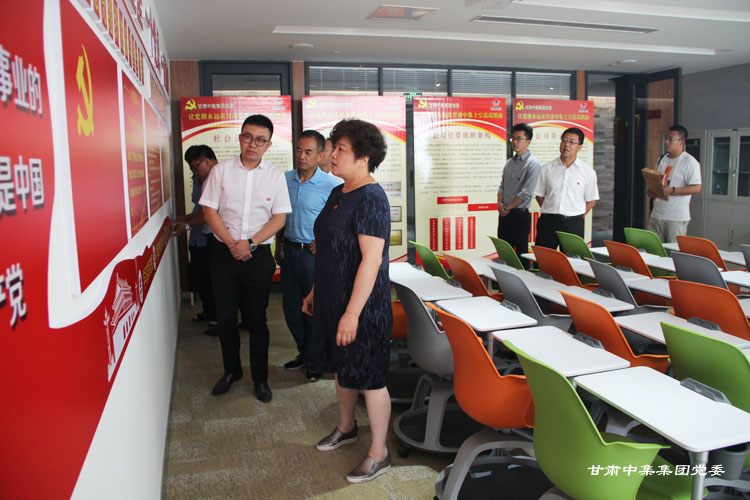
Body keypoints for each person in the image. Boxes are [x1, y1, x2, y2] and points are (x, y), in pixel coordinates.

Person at [301, 119, 393, 483]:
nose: (332, 154)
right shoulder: (339, 192)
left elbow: (371, 261)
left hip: (363, 307)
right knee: (342, 368)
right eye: (333, 147)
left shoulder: (372, 197)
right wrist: (316, 290)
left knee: (370, 377)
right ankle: (346, 426)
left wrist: (352, 314)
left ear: (363, 158)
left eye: (340, 149)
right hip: (332, 298)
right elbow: (328, 248)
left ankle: (379, 453)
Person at [199, 114, 291, 402]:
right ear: (240, 138)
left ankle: (260, 378)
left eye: (260, 140)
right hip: (224, 254)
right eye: (248, 137)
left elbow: (279, 219)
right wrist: (233, 244)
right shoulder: (221, 171)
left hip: (258, 255)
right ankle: (232, 371)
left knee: (257, 320)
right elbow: (209, 212)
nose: (253, 144)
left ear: (268, 145)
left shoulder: (275, 176)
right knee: (226, 318)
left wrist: (249, 244)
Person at [277, 130, 339, 382]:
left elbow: (340, 221)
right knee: (291, 310)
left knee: (313, 309)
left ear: (320, 155)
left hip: (314, 258)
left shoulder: (332, 185)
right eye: (299, 150)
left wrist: (325, 240)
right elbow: (279, 216)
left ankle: (315, 360)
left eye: (308, 152)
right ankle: (305, 353)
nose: (302, 156)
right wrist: (278, 246)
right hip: (290, 252)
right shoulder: (284, 180)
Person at [174, 145, 218, 334]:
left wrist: (186, 224)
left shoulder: (218, 178)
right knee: (202, 277)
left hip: (217, 236)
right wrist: (184, 219)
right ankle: (210, 312)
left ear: (206, 161)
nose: (193, 172)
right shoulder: (203, 178)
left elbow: (209, 214)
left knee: (215, 280)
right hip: (204, 236)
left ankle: (219, 318)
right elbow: (201, 209)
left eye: (195, 167)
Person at [534, 127, 599, 250]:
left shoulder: (588, 172)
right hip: (548, 221)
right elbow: (539, 195)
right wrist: (552, 209)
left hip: (573, 223)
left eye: (572, 142)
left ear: (580, 147)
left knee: (572, 258)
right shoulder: (547, 168)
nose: (567, 145)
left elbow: (591, 201)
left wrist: (575, 213)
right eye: (564, 140)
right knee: (545, 258)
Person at [647, 125, 702, 243]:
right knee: (652, 249)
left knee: (673, 251)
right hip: (657, 214)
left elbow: (697, 188)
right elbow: (660, 181)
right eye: (666, 138)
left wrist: (672, 190)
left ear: (682, 142)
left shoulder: (689, 162)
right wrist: (653, 190)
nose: (666, 142)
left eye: (671, 139)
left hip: (676, 217)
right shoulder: (662, 159)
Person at [497, 123, 541, 268]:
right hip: (504, 214)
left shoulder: (533, 163)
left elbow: (527, 193)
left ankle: (523, 279)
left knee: (521, 252)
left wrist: (508, 207)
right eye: (513, 139)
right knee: (504, 251)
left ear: (528, 141)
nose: (515, 142)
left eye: (519, 139)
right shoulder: (509, 163)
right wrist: (500, 205)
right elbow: (502, 186)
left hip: (520, 215)